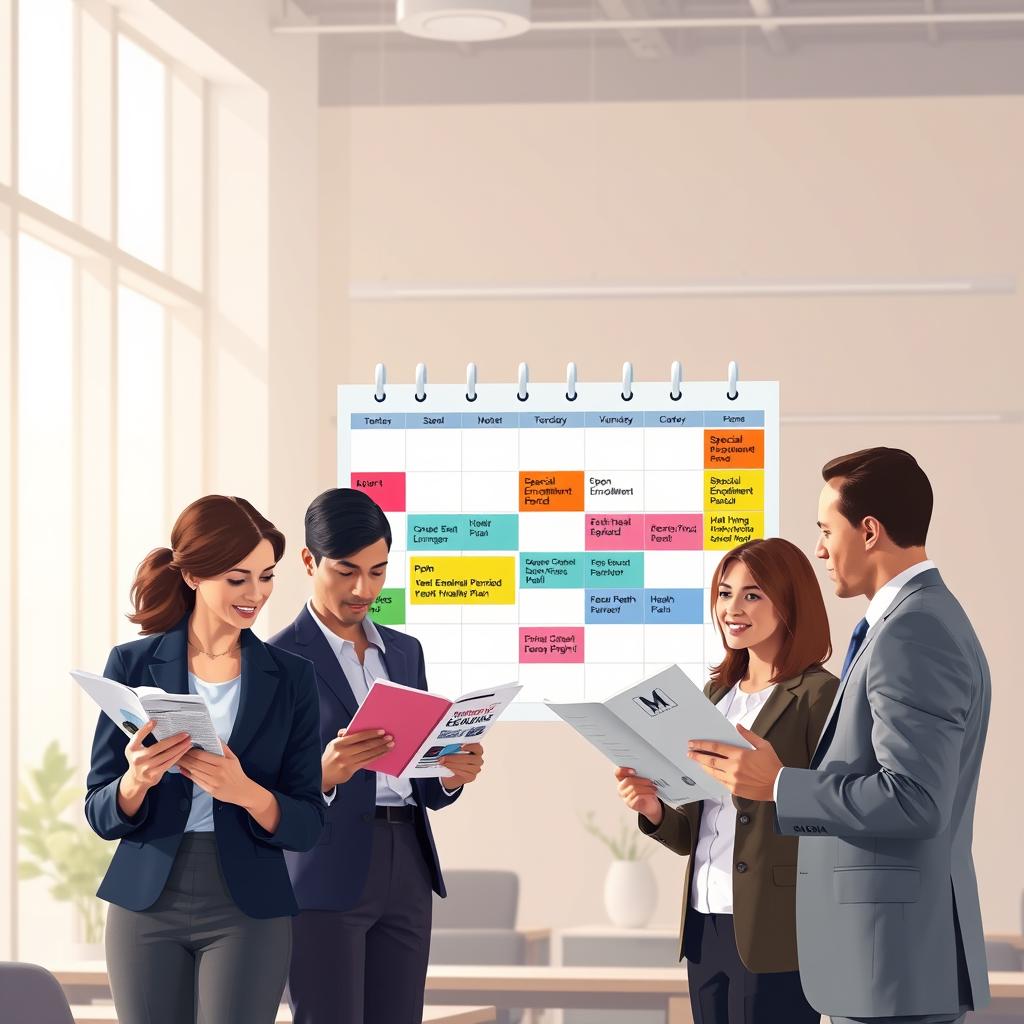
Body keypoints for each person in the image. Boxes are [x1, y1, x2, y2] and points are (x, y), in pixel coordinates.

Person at [687, 448, 991, 1024]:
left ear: (869, 531)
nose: (821, 550)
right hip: (881, 957)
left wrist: (780, 785)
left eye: (827, 531)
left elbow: (916, 799)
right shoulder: (904, 623)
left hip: (891, 958)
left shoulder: (914, 629)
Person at [84, 495, 326, 1024]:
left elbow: (309, 822)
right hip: (145, 899)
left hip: (249, 904)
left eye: (266, 577)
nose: (256, 594)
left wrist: (247, 793)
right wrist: (135, 781)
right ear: (193, 576)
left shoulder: (292, 677)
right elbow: (98, 811)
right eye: (238, 579)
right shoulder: (131, 664)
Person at [269, 487, 486, 1024]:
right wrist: (323, 774)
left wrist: (451, 774)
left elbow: (422, 780)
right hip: (323, 869)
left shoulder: (405, 652)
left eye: (377, 571)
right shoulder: (275, 660)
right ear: (309, 561)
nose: (363, 589)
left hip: (407, 861)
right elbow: (259, 786)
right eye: (346, 571)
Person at [615, 537, 837, 1024]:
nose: (732, 609)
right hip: (704, 919)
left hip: (775, 925)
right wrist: (654, 810)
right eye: (724, 593)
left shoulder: (817, 696)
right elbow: (699, 830)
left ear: (790, 602)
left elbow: (834, 810)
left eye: (752, 594)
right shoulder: (715, 693)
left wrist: (775, 785)